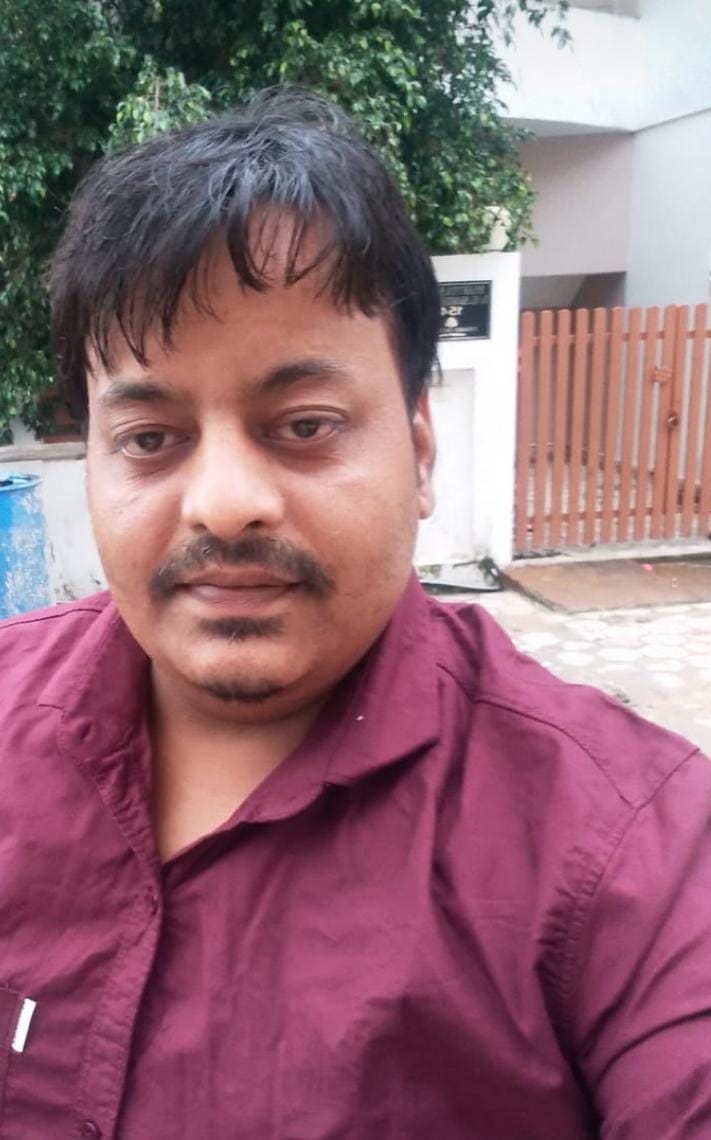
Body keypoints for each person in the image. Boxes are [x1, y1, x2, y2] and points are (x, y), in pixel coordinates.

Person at [1, 87, 709, 1140]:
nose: (223, 503)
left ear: (419, 451)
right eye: (150, 438)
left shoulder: (632, 850)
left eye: (304, 425)